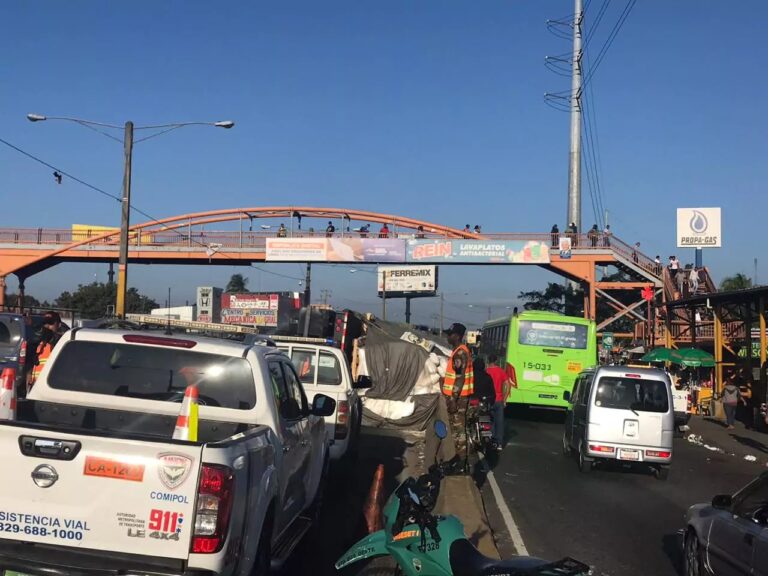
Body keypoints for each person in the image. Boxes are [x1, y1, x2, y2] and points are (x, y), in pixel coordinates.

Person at [441, 323, 475, 474]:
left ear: (457, 336)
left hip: (458, 399)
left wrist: (453, 399)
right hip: (459, 397)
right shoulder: (459, 351)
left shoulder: (460, 353)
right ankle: (459, 459)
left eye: (450, 334)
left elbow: (459, 379)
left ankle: (462, 464)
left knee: (459, 431)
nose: (448, 337)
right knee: (458, 430)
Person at [29, 311, 63, 388]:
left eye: (50, 323)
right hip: (35, 386)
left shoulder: (61, 341)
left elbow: (52, 336)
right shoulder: (40, 342)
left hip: (50, 386)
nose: (47, 326)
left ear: (59, 325)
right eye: (45, 323)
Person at [486, 354, 512, 450]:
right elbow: (507, 384)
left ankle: (491, 440)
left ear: (488, 361)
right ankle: (499, 443)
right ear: (496, 361)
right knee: (499, 422)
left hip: (489, 399)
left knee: (490, 421)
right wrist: (505, 398)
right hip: (499, 399)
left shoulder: (487, 371)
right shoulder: (501, 371)